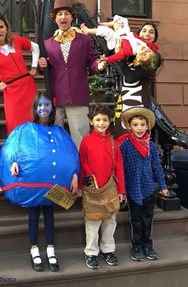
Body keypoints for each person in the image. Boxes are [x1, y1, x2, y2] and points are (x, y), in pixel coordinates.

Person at [0, 92, 79, 272]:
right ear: (35, 108)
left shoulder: (60, 132)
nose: (44, 109)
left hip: (53, 187)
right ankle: (34, 250)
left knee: (49, 216)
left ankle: (51, 249)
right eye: (40, 105)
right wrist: (13, 162)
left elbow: (72, 153)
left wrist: (75, 174)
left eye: (47, 105)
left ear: (52, 109)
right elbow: (11, 146)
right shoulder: (24, 129)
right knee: (33, 216)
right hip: (32, 187)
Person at [38, 0, 106, 148]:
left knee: (80, 138)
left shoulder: (84, 40)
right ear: (54, 19)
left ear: (72, 17)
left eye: (66, 13)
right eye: (59, 14)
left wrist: (99, 65)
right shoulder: (47, 44)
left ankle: (82, 170)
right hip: (56, 95)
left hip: (77, 95)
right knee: (55, 138)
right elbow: (45, 69)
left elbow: (93, 60)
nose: (63, 17)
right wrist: (41, 66)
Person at [78, 104, 125, 269]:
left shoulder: (114, 143)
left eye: (104, 120)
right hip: (92, 189)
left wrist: (121, 190)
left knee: (110, 220)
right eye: (97, 120)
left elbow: (119, 167)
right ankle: (91, 252)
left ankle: (107, 249)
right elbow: (82, 162)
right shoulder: (86, 141)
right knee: (92, 221)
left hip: (111, 188)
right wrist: (84, 183)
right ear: (91, 121)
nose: (101, 123)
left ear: (109, 121)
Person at [119, 107, 169, 262]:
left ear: (147, 126)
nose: (139, 128)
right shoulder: (125, 146)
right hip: (133, 188)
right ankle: (136, 245)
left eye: (142, 124)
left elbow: (157, 167)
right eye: (135, 124)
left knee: (147, 218)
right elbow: (121, 168)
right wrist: (121, 189)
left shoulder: (152, 147)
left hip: (148, 188)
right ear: (129, 126)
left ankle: (148, 244)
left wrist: (162, 185)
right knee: (136, 219)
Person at [111, 22, 162, 138]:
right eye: (144, 30)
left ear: (155, 38)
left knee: (136, 136)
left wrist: (121, 56)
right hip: (125, 97)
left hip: (138, 100)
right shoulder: (132, 52)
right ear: (138, 34)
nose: (147, 34)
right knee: (120, 133)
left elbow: (130, 77)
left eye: (151, 32)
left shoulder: (153, 57)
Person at [81, 16, 161, 72]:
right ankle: (112, 24)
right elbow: (154, 47)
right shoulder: (147, 44)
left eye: (143, 54)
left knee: (107, 31)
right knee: (123, 20)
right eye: (148, 51)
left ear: (139, 57)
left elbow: (119, 55)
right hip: (125, 34)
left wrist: (107, 59)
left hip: (116, 40)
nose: (145, 51)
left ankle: (88, 31)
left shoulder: (130, 51)